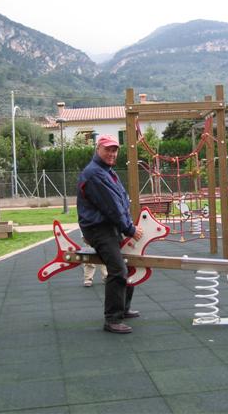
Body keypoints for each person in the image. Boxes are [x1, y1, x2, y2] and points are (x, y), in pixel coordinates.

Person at [76, 134, 143, 333]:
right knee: (118, 270)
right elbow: (112, 207)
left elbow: (121, 200)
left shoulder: (107, 171)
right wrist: (129, 229)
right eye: (108, 149)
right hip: (98, 229)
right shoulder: (95, 174)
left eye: (115, 150)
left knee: (129, 264)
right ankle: (112, 319)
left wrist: (127, 224)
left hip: (109, 226)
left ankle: (123, 308)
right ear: (98, 149)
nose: (112, 153)